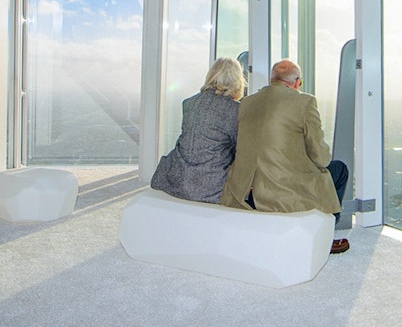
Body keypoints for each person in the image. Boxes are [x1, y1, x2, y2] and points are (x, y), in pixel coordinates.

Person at [219, 59, 351, 255]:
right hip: (280, 192)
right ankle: (322, 236)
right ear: (297, 82)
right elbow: (321, 158)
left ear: (273, 80)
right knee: (339, 170)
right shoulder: (304, 102)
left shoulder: (246, 103)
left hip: (246, 191)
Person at [150, 57, 245, 204]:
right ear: (237, 80)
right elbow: (240, 149)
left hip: (178, 178)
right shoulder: (235, 110)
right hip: (211, 186)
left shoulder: (189, 103)